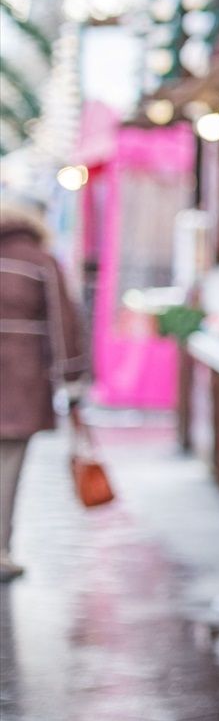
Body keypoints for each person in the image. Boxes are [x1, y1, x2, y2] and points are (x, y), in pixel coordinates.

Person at [0, 188, 90, 582]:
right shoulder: (41, 261)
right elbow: (63, 323)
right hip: (22, 381)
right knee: (9, 466)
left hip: (20, 377)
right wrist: (72, 377)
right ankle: (1, 549)